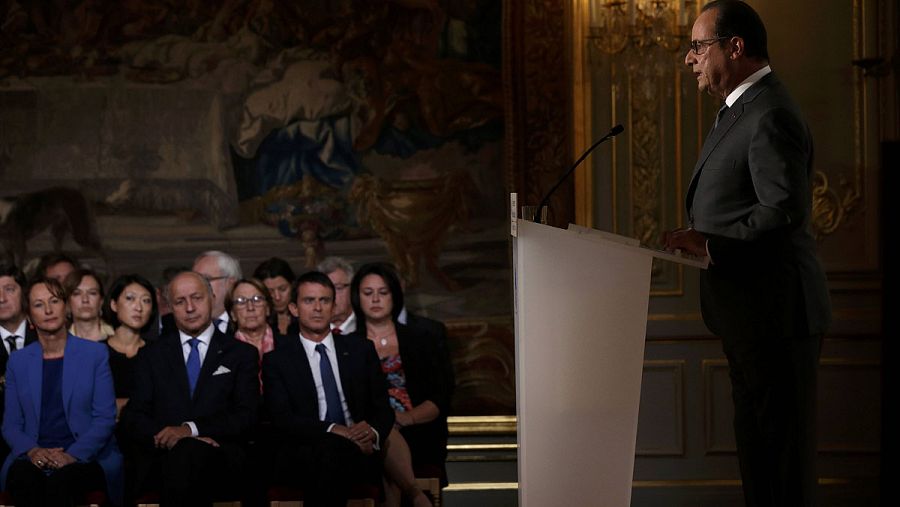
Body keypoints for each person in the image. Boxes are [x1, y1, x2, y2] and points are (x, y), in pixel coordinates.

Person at [662, 2, 831, 506]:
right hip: (750, 317)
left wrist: (710, 245)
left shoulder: (770, 112)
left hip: (776, 316)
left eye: (698, 46)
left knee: (781, 470)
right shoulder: (742, 110)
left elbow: (783, 212)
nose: (689, 58)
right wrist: (699, 236)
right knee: (761, 465)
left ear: (735, 47)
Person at [120, 271, 259, 506]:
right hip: (165, 457)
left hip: (222, 456)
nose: (190, 308)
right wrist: (170, 437)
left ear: (212, 298)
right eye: (180, 301)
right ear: (169, 307)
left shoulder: (241, 354)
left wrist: (190, 431)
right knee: (183, 457)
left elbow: (247, 415)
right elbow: (134, 417)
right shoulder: (151, 356)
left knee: (190, 455)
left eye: (196, 298)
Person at [262, 271, 394, 507]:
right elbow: (282, 418)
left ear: (333, 308)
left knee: (334, 455)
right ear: (294, 309)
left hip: (357, 450)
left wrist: (371, 433)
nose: (317, 308)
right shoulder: (277, 360)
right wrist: (334, 430)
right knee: (328, 451)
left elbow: (383, 409)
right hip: (301, 452)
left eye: (324, 300)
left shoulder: (361, 350)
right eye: (309, 301)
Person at [1, 277, 123, 506]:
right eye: (39, 305)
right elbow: (11, 425)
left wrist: (71, 455)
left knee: (62, 482)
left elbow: (104, 419)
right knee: (23, 478)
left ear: (66, 307)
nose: (48, 310)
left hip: (85, 455)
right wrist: (33, 451)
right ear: (29, 316)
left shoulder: (95, 355)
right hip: (33, 456)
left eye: (54, 301)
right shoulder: (18, 361)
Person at [350, 262, 449, 505]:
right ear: (357, 298)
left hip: (417, 429)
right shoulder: (348, 346)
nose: (375, 299)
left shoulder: (422, 339)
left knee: (387, 437)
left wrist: (407, 418)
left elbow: (441, 395)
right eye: (368, 293)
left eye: (383, 292)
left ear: (395, 295)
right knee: (382, 432)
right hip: (368, 434)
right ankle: (415, 494)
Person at [102, 274, 158, 417]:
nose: (138, 307)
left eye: (146, 301)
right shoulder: (96, 353)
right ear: (114, 304)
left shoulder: (159, 353)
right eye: (130, 298)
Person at [0, 264, 38, 467]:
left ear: (23, 293)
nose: (1, 298)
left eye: (9, 289)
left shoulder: (46, 335)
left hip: (45, 439)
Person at [225, 278, 276, 387]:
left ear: (267, 308)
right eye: (241, 301)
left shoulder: (292, 346)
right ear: (233, 314)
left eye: (257, 299)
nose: (250, 307)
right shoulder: (223, 353)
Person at [192, 250, 241, 336]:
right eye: (195, 280)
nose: (198, 286)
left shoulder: (245, 321)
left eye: (206, 279)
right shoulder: (180, 325)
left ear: (230, 283)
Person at [65, 268, 115, 342]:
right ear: (68, 302)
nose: (85, 300)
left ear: (101, 301)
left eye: (92, 293)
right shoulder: (60, 342)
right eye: (77, 293)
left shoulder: (117, 338)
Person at [252, 257, 297, 337]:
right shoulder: (254, 321)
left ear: (292, 285)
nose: (277, 297)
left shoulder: (303, 317)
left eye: (283, 289)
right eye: (270, 292)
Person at [317, 256, 356, 335]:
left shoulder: (367, 325)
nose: (331, 296)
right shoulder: (308, 330)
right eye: (324, 290)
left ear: (352, 288)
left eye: (338, 288)